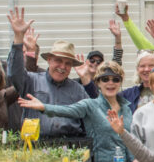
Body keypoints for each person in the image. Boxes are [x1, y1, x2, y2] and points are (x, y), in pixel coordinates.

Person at [6, 7, 92, 139]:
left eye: (68, 63)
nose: (62, 67)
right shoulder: (31, 81)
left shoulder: (78, 90)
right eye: (58, 60)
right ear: (49, 60)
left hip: (70, 145)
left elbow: (92, 113)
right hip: (36, 145)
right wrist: (18, 37)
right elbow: (14, 73)